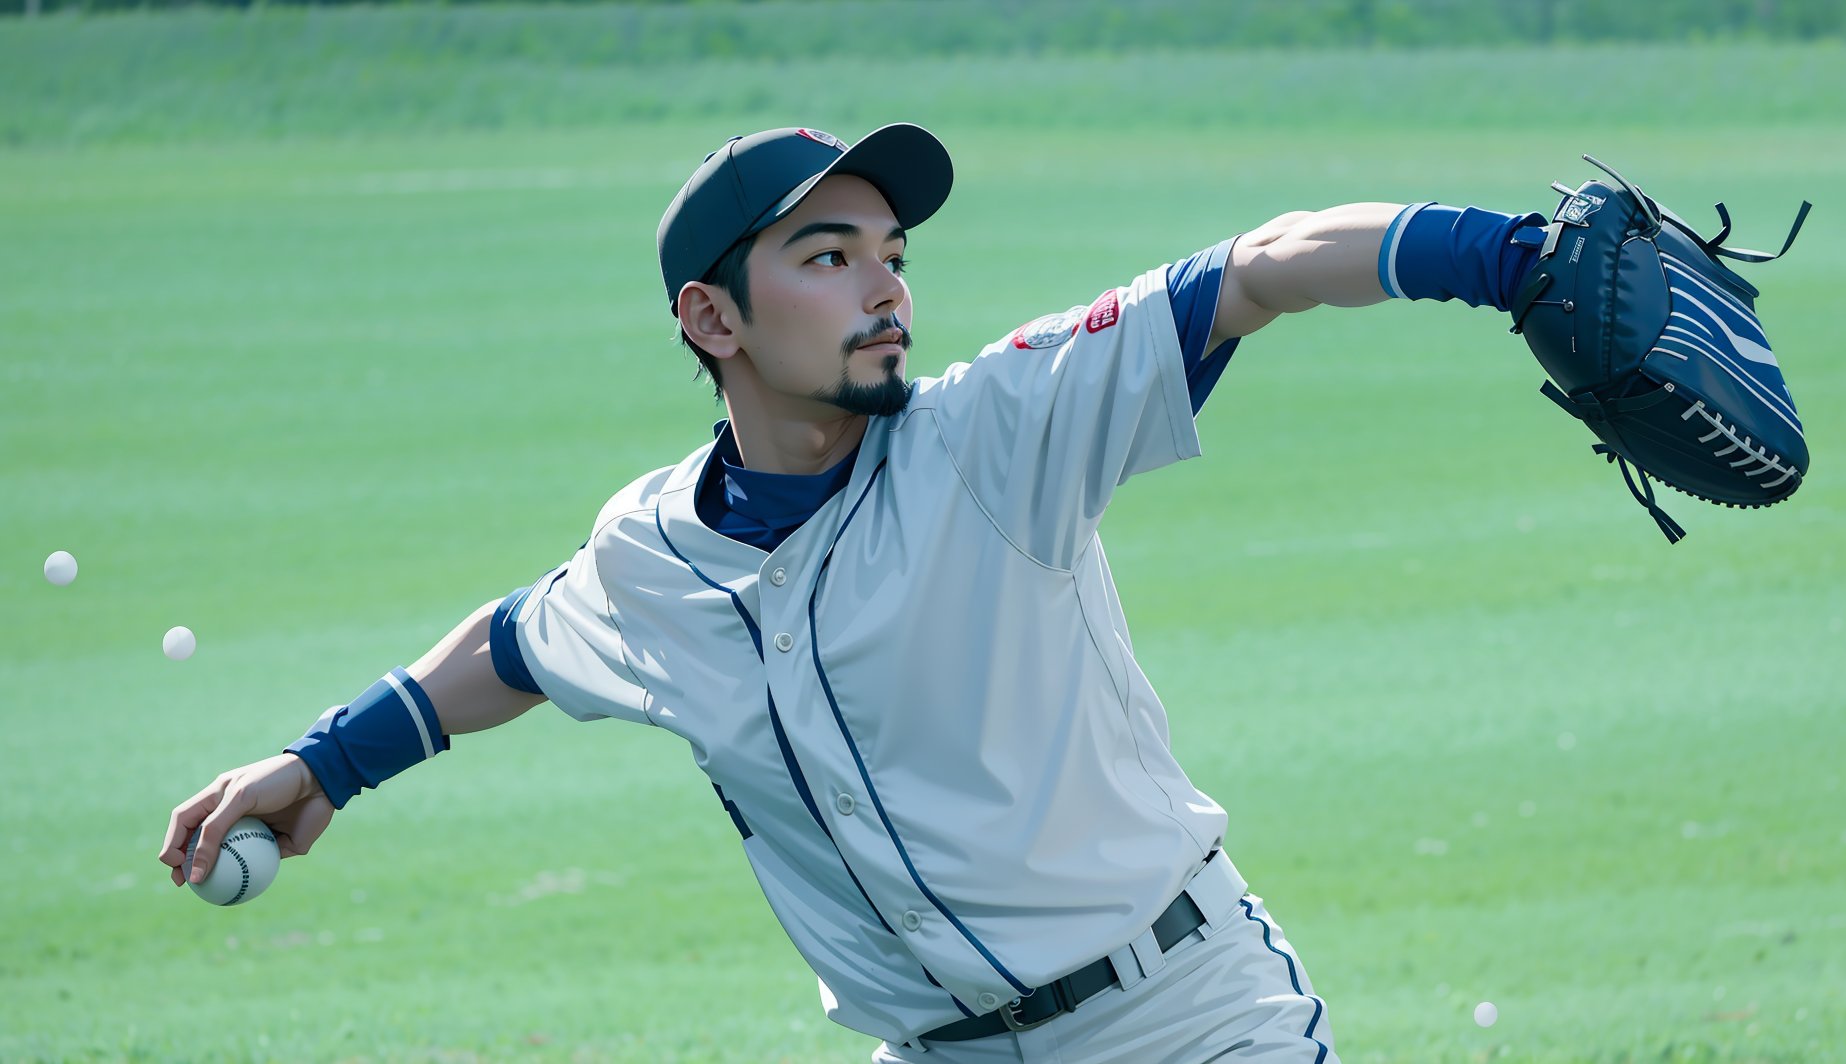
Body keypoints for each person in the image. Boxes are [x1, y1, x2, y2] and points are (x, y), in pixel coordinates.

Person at [160, 123, 1554, 1063]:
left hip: (1180, 1023)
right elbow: (523, 645)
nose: (884, 289)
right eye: (828, 258)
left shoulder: (996, 432)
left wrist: (1510, 260)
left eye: (892, 255)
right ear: (714, 321)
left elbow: (1259, 271)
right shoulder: (651, 553)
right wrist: (323, 763)